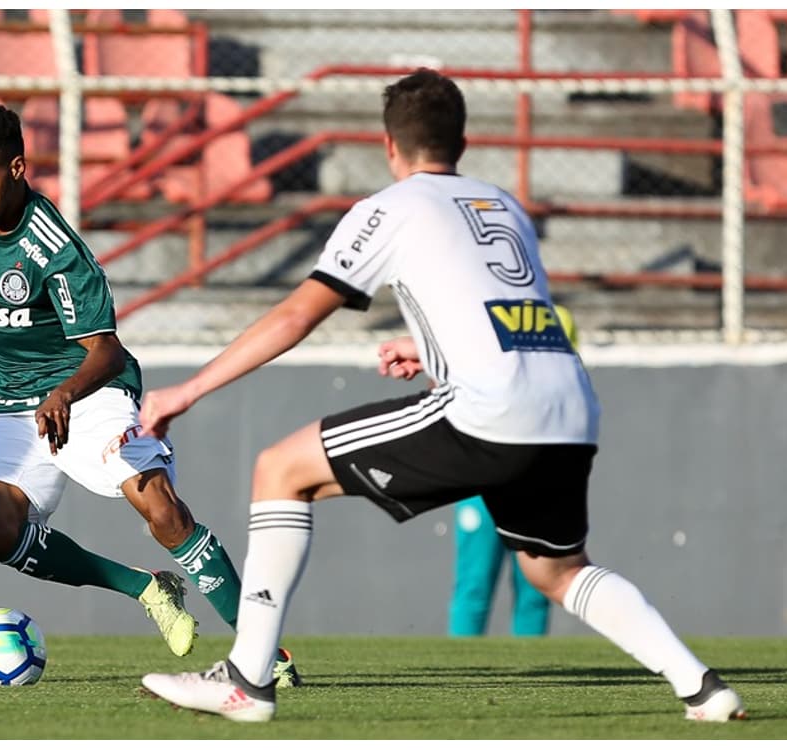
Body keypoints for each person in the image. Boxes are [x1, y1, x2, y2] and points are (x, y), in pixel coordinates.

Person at [137, 69, 746, 723]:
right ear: (461, 140)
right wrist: (427, 351)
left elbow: (296, 314)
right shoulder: (501, 204)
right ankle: (704, 690)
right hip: (567, 407)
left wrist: (189, 390)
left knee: (280, 469)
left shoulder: (390, 207)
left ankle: (246, 682)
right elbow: (497, 313)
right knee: (556, 570)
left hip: (490, 408)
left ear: (389, 146)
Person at [0, 102, 299, 686]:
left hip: (89, 391)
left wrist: (65, 392)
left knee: (161, 508)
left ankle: (265, 653)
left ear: (17, 168)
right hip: (11, 404)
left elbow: (107, 350)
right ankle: (145, 587)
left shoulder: (55, 249)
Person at [448, 304, 576, 638]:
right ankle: (461, 675)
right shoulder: (487, 330)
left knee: (536, 590)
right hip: (481, 491)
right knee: (474, 587)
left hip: (539, 493)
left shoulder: (555, 323)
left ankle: (531, 677)